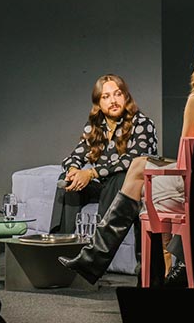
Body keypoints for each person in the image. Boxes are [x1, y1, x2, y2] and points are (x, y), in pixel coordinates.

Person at [59, 19, 194, 286]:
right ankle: (98, 259)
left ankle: (96, 258)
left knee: (138, 170)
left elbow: (185, 161)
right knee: (140, 163)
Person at [50, 73, 158, 234]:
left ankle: (101, 241)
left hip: (132, 188)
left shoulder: (142, 124)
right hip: (104, 187)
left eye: (117, 94)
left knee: (119, 177)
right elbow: (74, 157)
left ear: (126, 97)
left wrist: (91, 173)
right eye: (106, 97)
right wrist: (73, 171)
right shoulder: (95, 127)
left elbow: (132, 161)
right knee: (67, 180)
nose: (113, 101)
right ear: (98, 104)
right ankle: (62, 240)